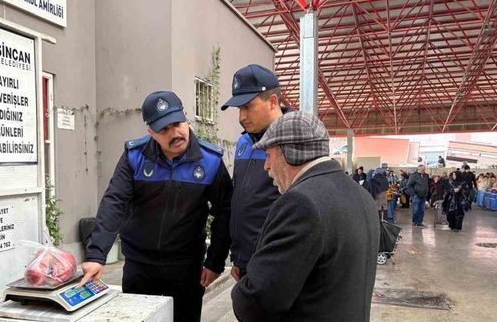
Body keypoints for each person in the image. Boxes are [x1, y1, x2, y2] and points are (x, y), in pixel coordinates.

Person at [80, 91, 232, 322]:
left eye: (177, 123)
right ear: (150, 132)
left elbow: (225, 212)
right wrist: (97, 254)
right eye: (164, 129)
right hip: (140, 266)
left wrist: (214, 262)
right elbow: (115, 201)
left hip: (186, 268)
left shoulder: (209, 161)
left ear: (186, 118)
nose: (175, 133)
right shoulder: (134, 157)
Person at [231, 112, 379, 321]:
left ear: (288, 152)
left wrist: (240, 293)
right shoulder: (360, 194)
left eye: (268, 155)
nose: (266, 166)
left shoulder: (301, 203)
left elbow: (258, 300)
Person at [220, 64, 293, 281]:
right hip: (246, 263)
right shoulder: (244, 142)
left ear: (272, 101)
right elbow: (243, 201)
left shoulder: (294, 141)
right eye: (238, 109)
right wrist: (239, 258)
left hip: (276, 263)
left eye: (248, 107)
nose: (241, 117)